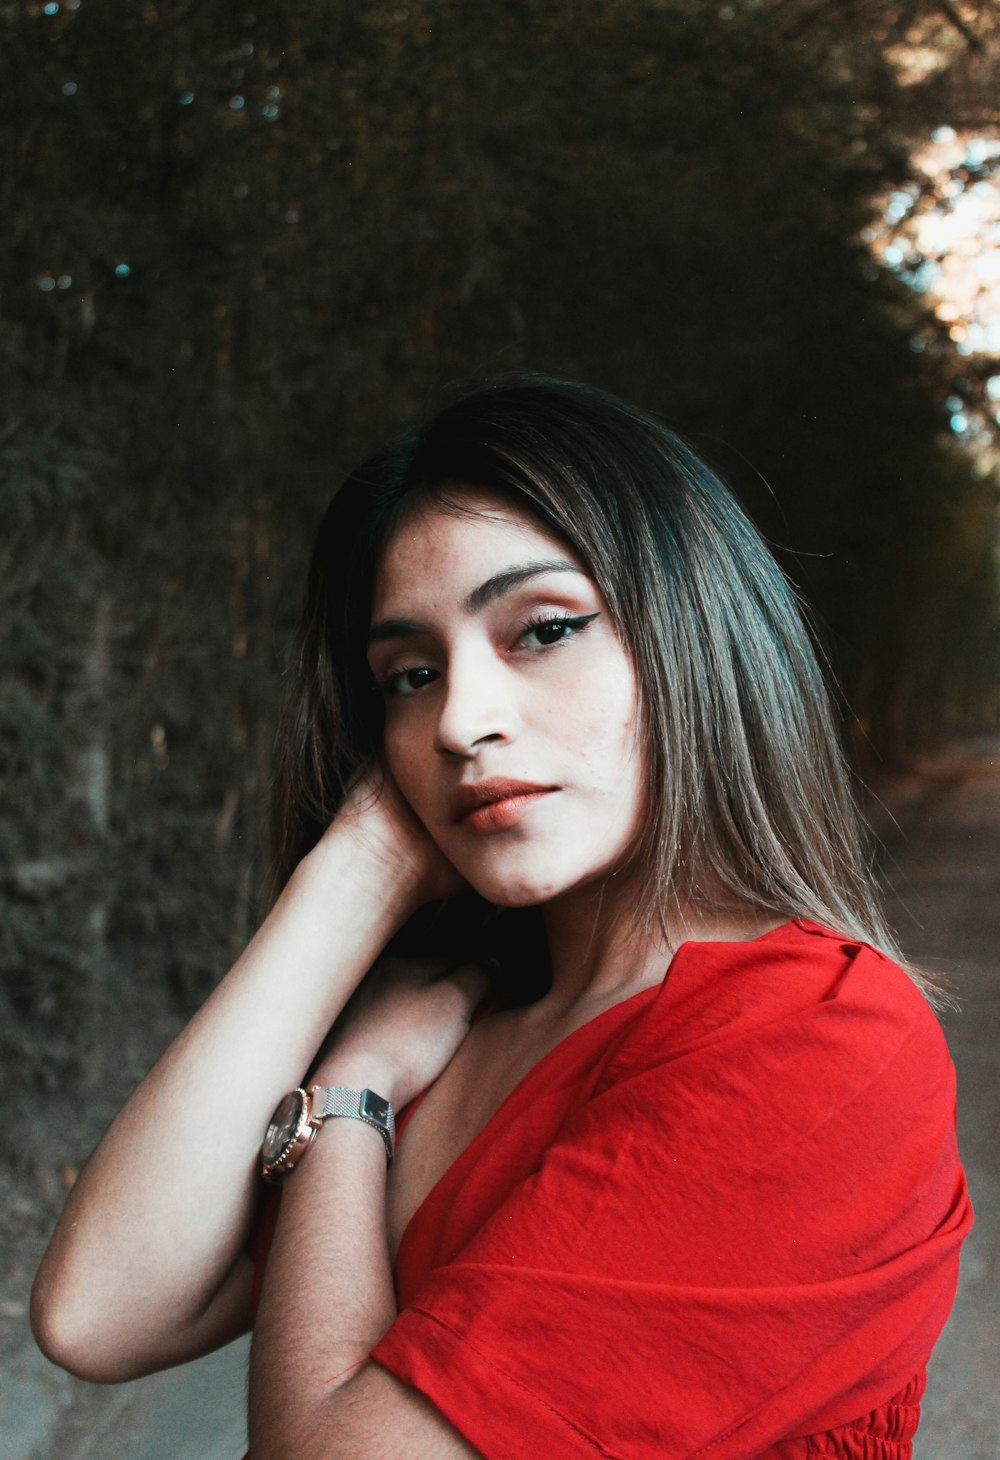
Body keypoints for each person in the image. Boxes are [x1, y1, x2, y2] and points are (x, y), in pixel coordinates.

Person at [31, 377, 972, 1459]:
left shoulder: (817, 1039)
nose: (461, 723)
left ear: (695, 640)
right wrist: (358, 866)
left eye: (545, 629)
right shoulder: (462, 1010)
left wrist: (350, 1099)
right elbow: (96, 1311)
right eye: (409, 675)